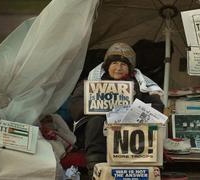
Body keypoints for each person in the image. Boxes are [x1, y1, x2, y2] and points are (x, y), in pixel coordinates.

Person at [69, 42, 164, 178]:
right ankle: (96, 171)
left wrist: (133, 111)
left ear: (130, 68)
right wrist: (99, 107)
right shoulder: (92, 82)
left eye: (123, 65)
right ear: (107, 66)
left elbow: (157, 107)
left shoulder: (141, 85)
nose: (118, 68)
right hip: (98, 130)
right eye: (114, 64)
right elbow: (75, 104)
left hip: (131, 131)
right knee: (96, 121)